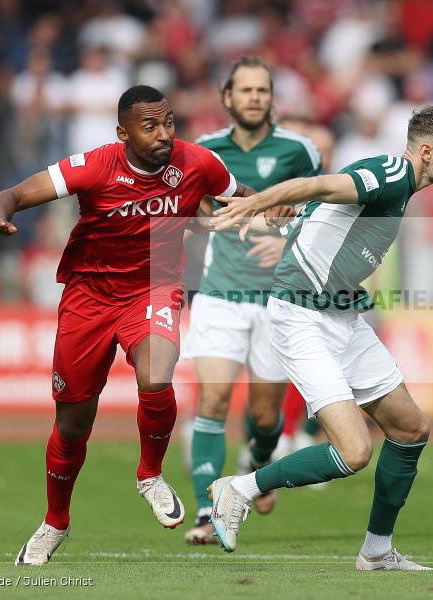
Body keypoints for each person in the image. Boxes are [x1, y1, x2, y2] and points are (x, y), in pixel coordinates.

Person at [0, 85, 265, 566]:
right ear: (123, 133)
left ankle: (149, 473)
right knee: (72, 425)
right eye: (150, 126)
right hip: (88, 297)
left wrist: (277, 207)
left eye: (169, 122)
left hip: (154, 286)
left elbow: (240, 195)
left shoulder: (198, 163)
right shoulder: (94, 165)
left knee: (156, 375)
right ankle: (55, 523)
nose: (164, 134)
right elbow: (16, 193)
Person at [207, 106, 433, 570]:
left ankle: (377, 551)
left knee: (411, 430)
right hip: (301, 317)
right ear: (427, 151)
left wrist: (280, 223)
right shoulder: (391, 172)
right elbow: (318, 184)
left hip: (343, 319)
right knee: (355, 451)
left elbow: (316, 210)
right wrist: (255, 202)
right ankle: (239, 488)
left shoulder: (397, 185)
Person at [183, 56, 321, 544]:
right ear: (227, 97)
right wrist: (207, 219)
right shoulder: (204, 151)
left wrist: (288, 238)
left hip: (277, 300)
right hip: (220, 292)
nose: (255, 97)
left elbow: (327, 213)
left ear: (271, 97)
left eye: (262, 90)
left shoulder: (299, 150)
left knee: (265, 417)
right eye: (245, 90)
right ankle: (206, 511)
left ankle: (257, 462)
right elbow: (192, 210)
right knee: (214, 399)